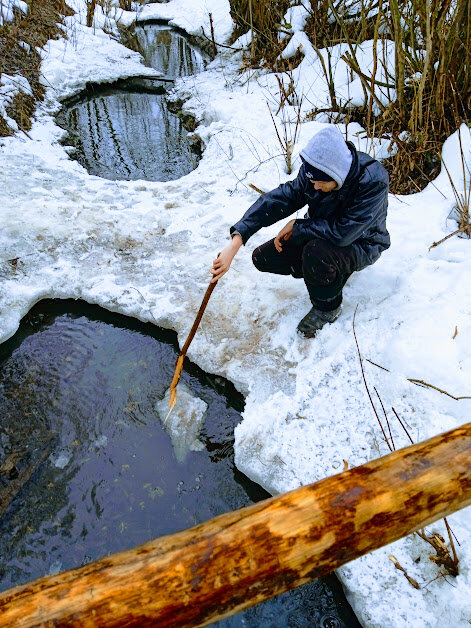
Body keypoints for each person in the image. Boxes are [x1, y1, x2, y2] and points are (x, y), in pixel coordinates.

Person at [210, 126, 390, 337]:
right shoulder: (314, 172)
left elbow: (344, 233)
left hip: (362, 243)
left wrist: (298, 226)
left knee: (316, 253)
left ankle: (328, 307)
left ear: (337, 175)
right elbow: (279, 199)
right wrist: (236, 241)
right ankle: (330, 273)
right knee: (264, 258)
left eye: (320, 183)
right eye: (311, 181)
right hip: (322, 234)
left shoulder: (372, 180)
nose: (313, 187)